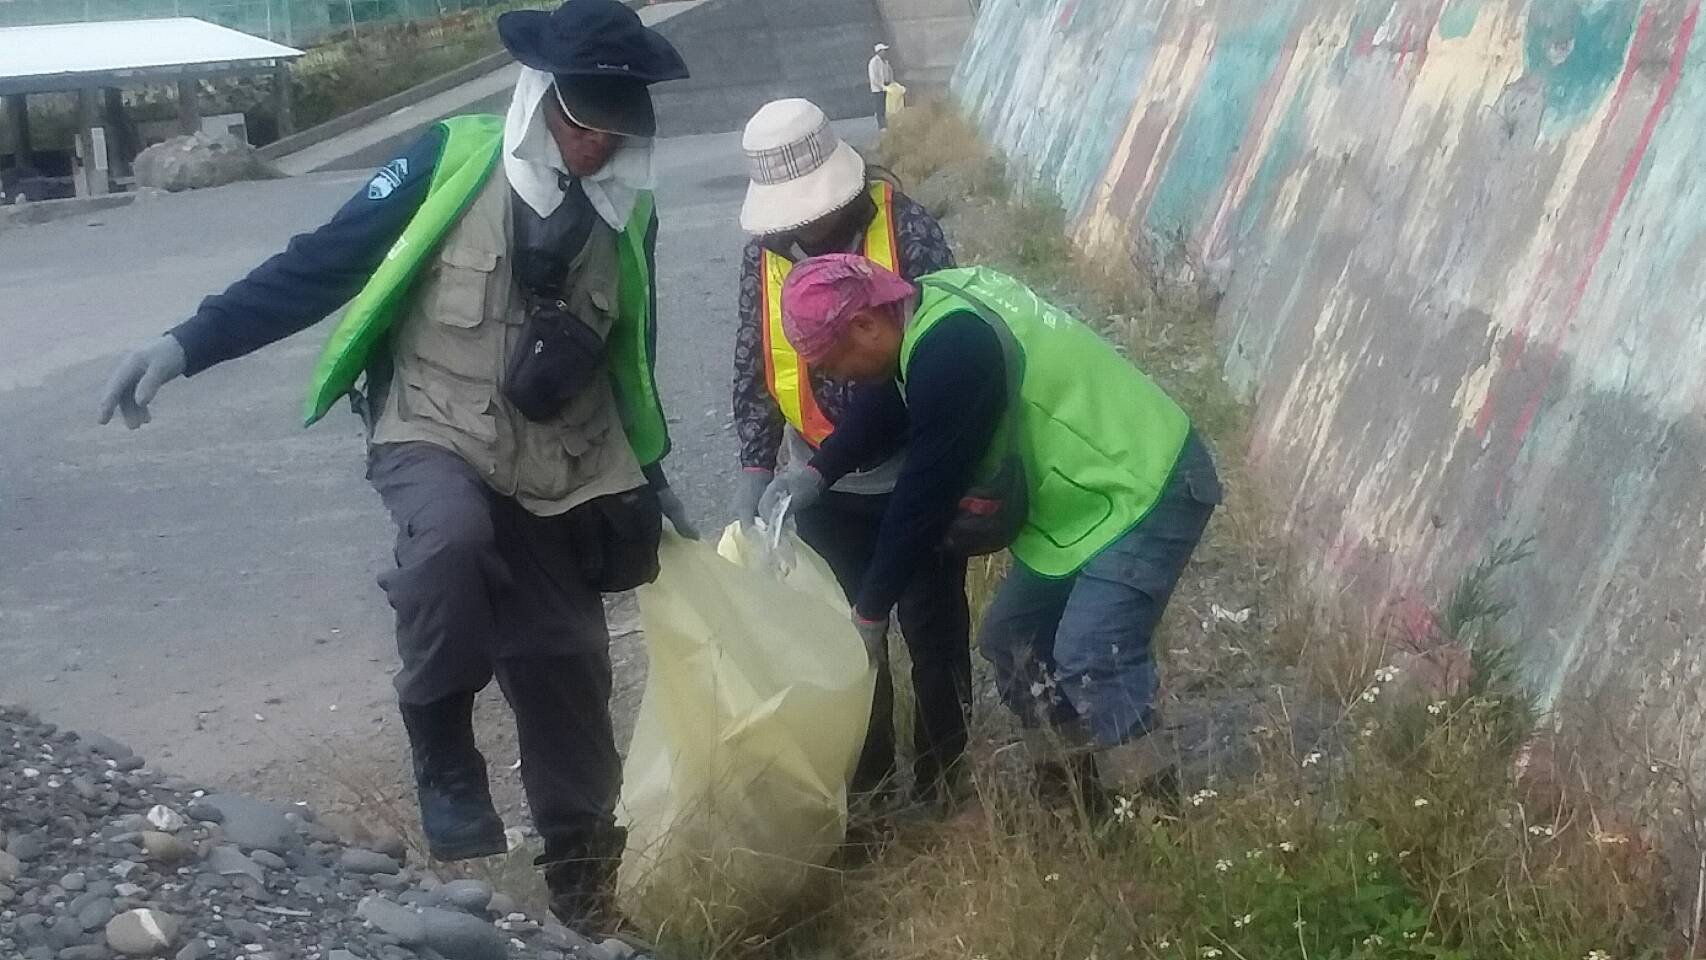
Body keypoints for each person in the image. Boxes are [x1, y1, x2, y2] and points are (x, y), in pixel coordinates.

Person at [95, 0, 693, 934]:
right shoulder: (450, 157)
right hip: (434, 427)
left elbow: (631, 350)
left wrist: (653, 473)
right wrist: (188, 343)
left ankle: (586, 900)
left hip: (566, 461)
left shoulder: (632, 208)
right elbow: (321, 264)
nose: (598, 146)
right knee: (448, 544)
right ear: (545, 98)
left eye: (619, 130)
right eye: (585, 124)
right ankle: (442, 744)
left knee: (569, 665)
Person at [763, 255, 1222, 800]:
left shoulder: (953, 348)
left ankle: (1154, 812)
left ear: (864, 324)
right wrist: (817, 473)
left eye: (831, 363)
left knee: (1094, 653)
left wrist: (869, 611)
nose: (836, 379)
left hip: (1146, 482)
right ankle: (1072, 794)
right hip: (1091, 499)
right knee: (1012, 639)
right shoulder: (928, 307)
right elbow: (894, 398)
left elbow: (924, 494)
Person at [730, 98, 969, 810]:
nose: (802, 226)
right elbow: (753, 358)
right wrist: (756, 465)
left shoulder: (907, 229)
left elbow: (947, 347)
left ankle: (943, 785)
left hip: (916, 477)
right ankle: (868, 793)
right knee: (847, 645)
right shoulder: (764, 256)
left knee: (932, 632)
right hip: (823, 486)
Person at [867, 43, 894, 129]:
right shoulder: (873, 62)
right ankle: (882, 126)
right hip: (878, 89)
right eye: (883, 50)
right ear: (878, 52)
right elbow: (873, 78)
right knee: (880, 108)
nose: (885, 52)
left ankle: (887, 124)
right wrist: (882, 86)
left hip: (887, 87)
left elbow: (889, 73)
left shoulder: (886, 62)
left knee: (887, 107)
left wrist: (892, 83)